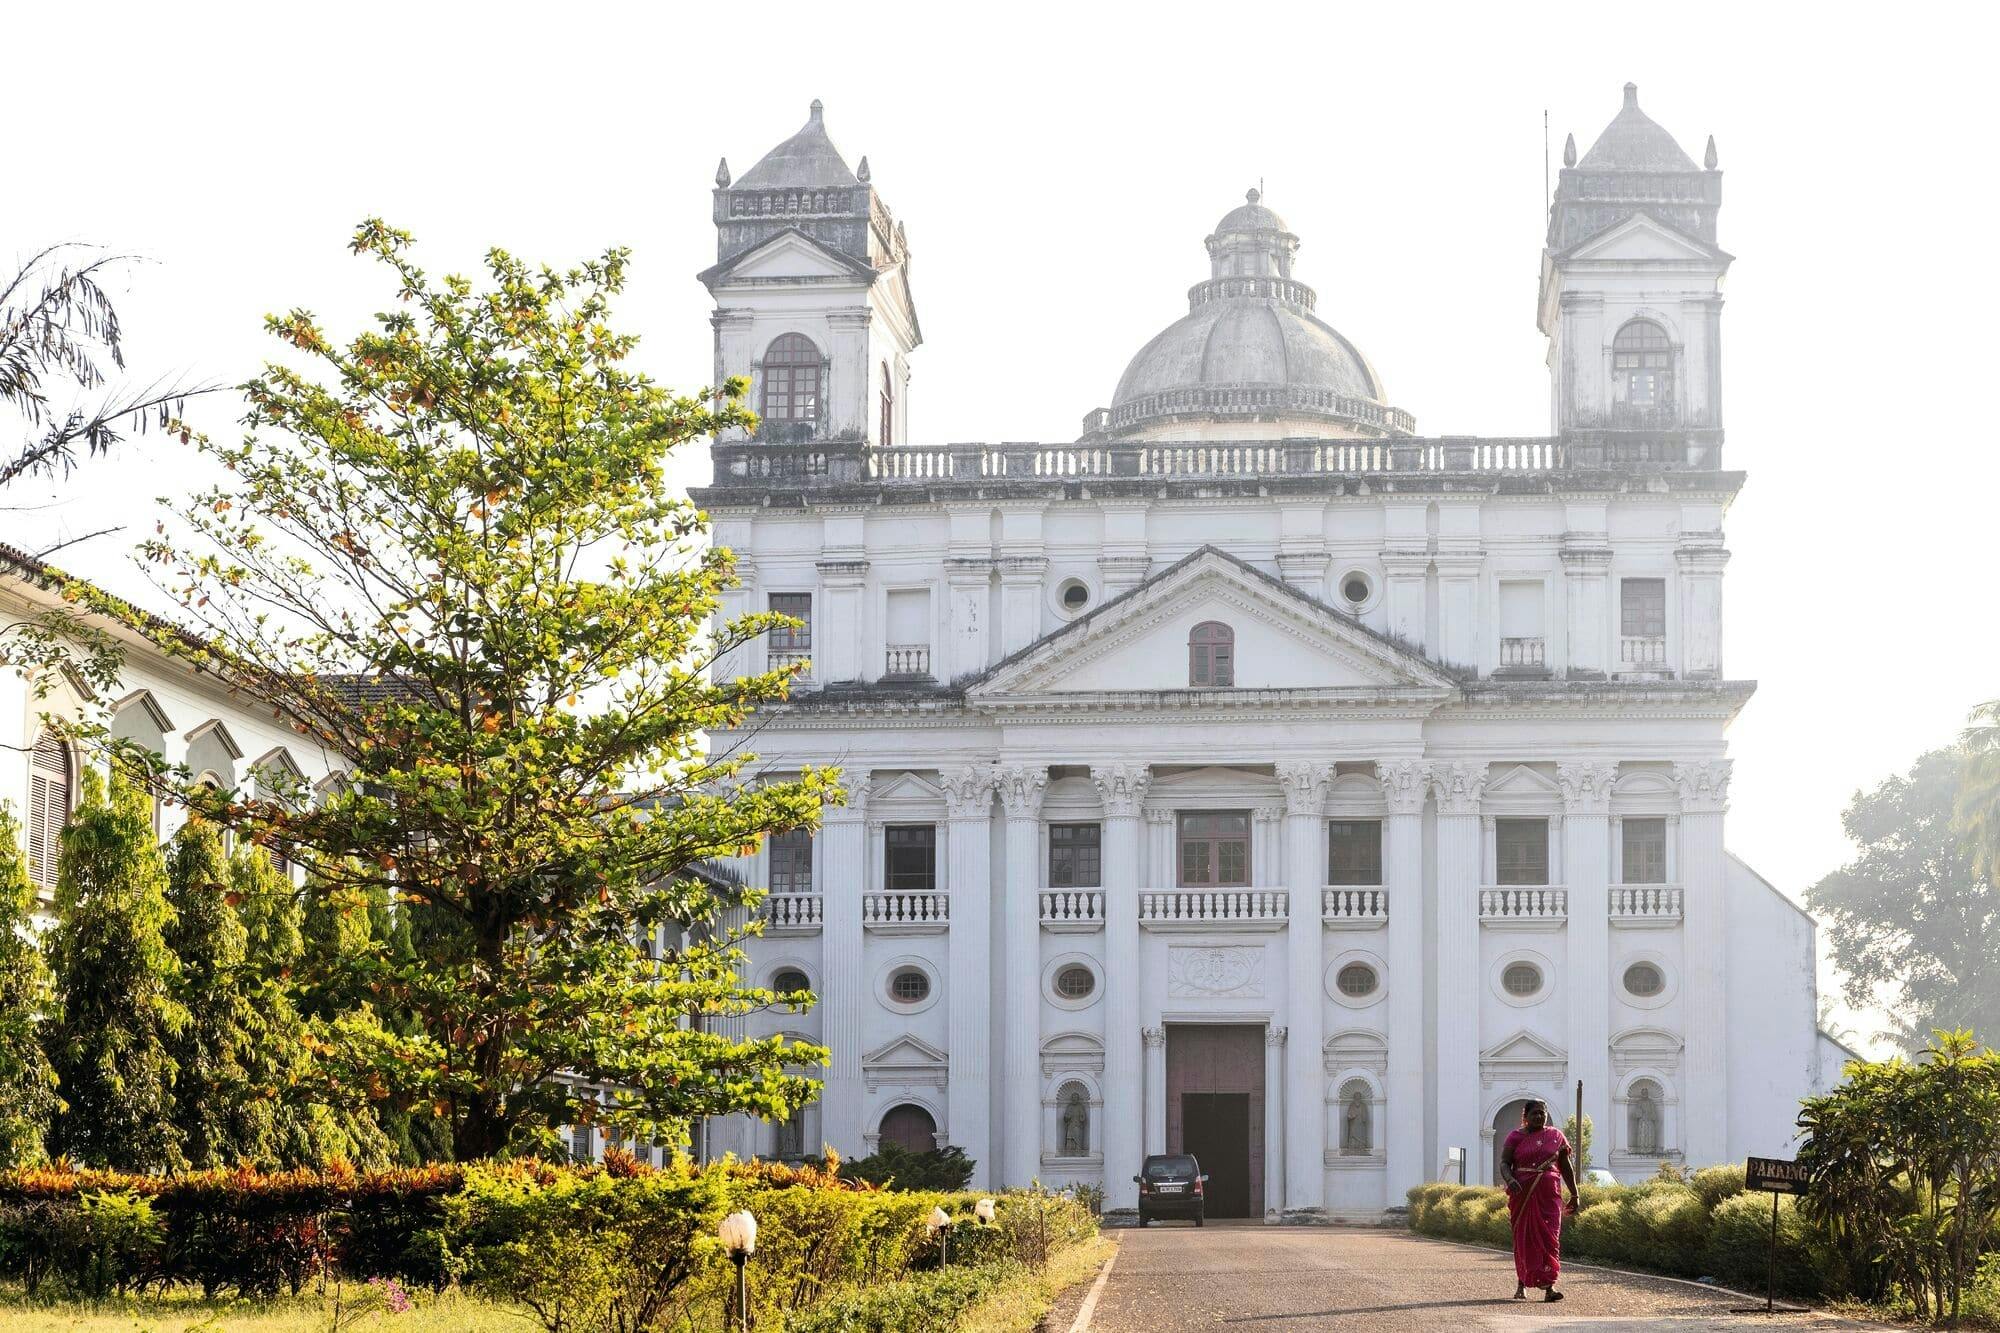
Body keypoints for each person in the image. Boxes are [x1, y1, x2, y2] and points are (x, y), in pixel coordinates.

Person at [1499, 1099, 1580, 1302]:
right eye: (1534, 1113)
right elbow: (1504, 1163)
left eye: (1542, 1113)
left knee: (1550, 1239)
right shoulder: (1515, 1137)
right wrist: (1510, 1179)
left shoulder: (1555, 1136)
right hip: (1523, 1194)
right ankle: (1522, 1282)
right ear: (1525, 1117)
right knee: (1524, 1238)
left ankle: (1549, 1287)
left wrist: (1575, 1194)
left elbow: (1566, 1167)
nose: (1539, 1117)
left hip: (1549, 1195)